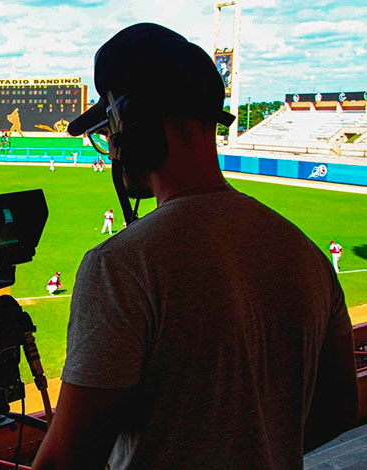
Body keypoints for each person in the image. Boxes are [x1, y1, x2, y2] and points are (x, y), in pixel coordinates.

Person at [32, 23, 358, 470]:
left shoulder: (121, 265)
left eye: (108, 130)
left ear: (130, 124)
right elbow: (338, 411)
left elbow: (65, 462)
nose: (110, 148)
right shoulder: (305, 252)